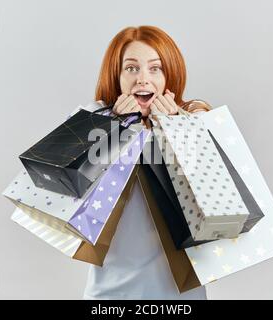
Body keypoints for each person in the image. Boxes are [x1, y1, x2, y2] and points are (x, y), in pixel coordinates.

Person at [83, 25, 211, 300]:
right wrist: (113, 128)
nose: (143, 79)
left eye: (155, 68)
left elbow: (211, 196)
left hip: (180, 292)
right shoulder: (92, 119)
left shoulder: (193, 116)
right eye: (131, 68)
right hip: (108, 290)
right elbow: (75, 195)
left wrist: (177, 129)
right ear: (116, 76)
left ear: (169, 75)